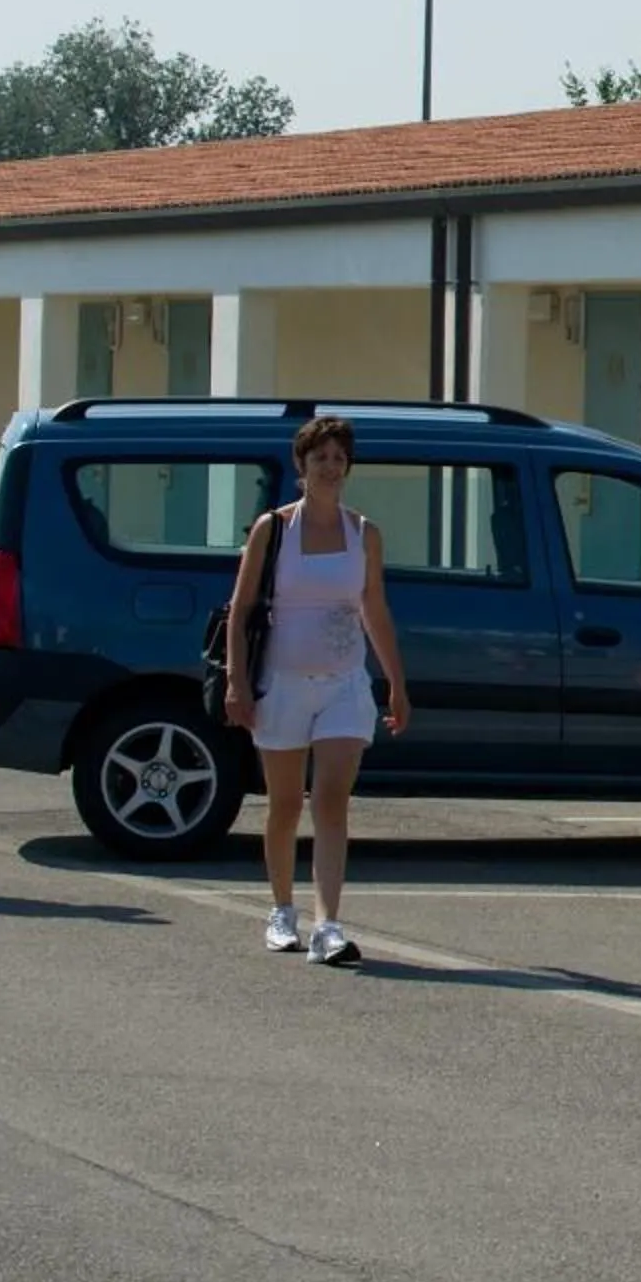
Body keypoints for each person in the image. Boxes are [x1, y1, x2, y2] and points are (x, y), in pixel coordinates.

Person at [221, 414, 412, 966]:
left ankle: (329, 925)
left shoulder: (364, 533)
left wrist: (396, 684)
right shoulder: (273, 529)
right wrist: (237, 682)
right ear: (301, 466)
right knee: (285, 804)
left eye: (338, 458)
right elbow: (242, 609)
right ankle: (282, 911)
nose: (330, 467)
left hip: (344, 686)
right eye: (320, 458)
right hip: (281, 686)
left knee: (330, 800)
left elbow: (374, 608)